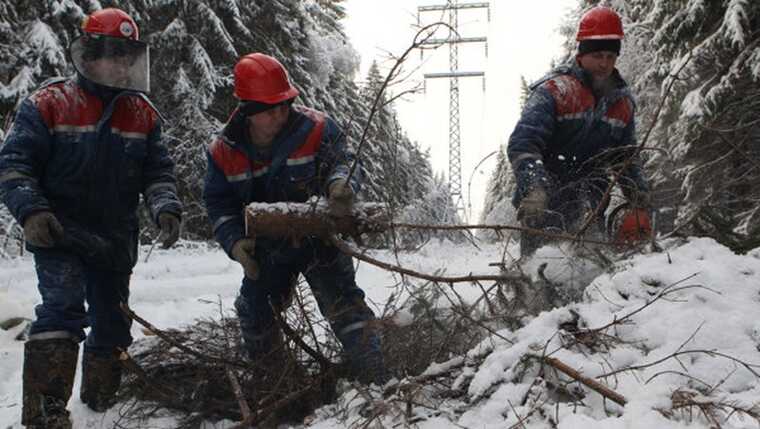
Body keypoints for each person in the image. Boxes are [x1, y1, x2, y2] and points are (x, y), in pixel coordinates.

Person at [0, 8, 182, 428]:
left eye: (128, 56)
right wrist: (32, 210)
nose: (121, 65)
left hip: (116, 235)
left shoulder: (142, 113)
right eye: (113, 55)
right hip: (59, 230)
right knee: (62, 312)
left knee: (113, 320)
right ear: (90, 54)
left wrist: (165, 206)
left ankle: (103, 403)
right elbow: (13, 165)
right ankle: (45, 414)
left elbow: (158, 171)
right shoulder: (49, 103)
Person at [203, 53, 386, 385]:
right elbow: (219, 203)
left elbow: (343, 159)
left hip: (321, 240)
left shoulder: (315, 127)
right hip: (267, 247)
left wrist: (341, 184)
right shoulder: (223, 150)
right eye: (270, 109)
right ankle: (278, 386)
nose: (280, 113)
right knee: (254, 312)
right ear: (247, 110)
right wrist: (235, 243)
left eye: (285, 104)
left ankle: (377, 380)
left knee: (345, 307)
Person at [507, 6, 650, 257]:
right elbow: (524, 143)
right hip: (543, 205)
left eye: (610, 56)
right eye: (597, 55)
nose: (604, 63)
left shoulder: (622, 104)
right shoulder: (554, 92)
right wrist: (534, 187)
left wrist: (638, 194)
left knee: (589, 275)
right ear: (581, 53)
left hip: (591, 204)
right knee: (537, 275)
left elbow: (625, 158)